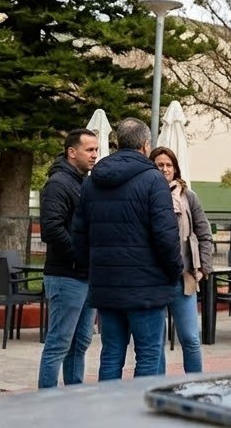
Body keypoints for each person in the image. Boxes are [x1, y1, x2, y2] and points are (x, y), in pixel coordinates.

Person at [72, 117, 182, 380]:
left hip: (106, 285)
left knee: (111, 354)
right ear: (145, 145)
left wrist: (93, 270)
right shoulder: (154, 180)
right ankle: (139, 407)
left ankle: (110, 406)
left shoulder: (92, 181)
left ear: (118, 143)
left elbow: (79, 235)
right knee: (149, 355)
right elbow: (166, 237)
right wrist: (174, 271)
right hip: (147, 286)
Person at [37, 128, 101, 389]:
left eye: (96, 150)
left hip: (85, 276)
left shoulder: (82, 182)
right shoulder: (58, 184)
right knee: (59, 343)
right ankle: (48, 399)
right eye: (89, 150)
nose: (95, 155)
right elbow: (51, 229)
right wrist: (81, 255)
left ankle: (73, 398)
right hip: (65, 276)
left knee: (80, 342)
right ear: (72, 152)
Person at [149, 146, 214, 374]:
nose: (165, 169)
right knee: (155, 342)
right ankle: (158, 385)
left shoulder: (188, 196)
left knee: (190, 338)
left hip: (184, 278)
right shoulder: (146, 194)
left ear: (175, 168)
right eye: (159, 165)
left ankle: (194, 385)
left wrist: (203, 268)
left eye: (169, 165)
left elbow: (204, 233)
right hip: (154, 280)